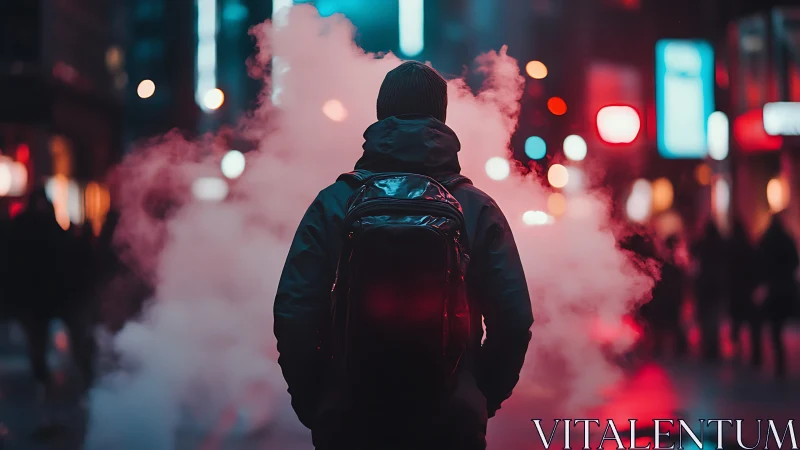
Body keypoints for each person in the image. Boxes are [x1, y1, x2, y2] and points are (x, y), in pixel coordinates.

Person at [274, 61, 534, 450]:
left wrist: (320, 400)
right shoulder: (475, 207)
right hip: (449, 420)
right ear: (441, 117)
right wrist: (474, 397)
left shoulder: (335, 202)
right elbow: (513, 321)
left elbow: (295, 313)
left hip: (350, 417)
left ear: (381, 114)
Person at [7, 187, 96, 395]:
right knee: (47, 339)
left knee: (44, 339)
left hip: (47, 293)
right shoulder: (45, 228)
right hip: (47, 293)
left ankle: (56, 378)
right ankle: (66, 378)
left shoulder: (26, 228)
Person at [756, 214, 798, 378]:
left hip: (772, 288)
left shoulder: (766, 240)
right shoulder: (787, 239)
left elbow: (759, 262)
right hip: (785, 287)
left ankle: (779, 362)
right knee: (779, 323)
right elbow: (795, 261)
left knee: (775, 327)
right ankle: (781, 362)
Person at [727, 220, 761, 366]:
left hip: (735, 290)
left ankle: (737, 350)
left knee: (736, 322)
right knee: (753, 324)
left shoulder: (730, 248)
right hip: (748, 291)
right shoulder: (750, 247)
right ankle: (756, 355)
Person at [691, 221, 726, 362]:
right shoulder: (721, 244)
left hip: (704, 286)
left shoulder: (702, 244)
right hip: (717, 286)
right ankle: (714, 348)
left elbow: (693, 252)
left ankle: (706, 348)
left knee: (705, 319)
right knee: (715, 318)